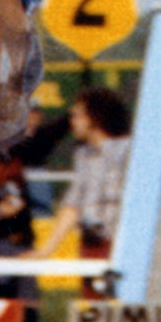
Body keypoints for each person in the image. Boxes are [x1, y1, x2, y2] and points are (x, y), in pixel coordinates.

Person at [46, 86, 132, 263]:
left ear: (94, 118)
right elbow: (73, 204)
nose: (72, 122)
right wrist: (45, 251)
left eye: (77, 116)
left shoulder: (128, 151)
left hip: (123, 246)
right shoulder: (83, 155)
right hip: (92, 246)